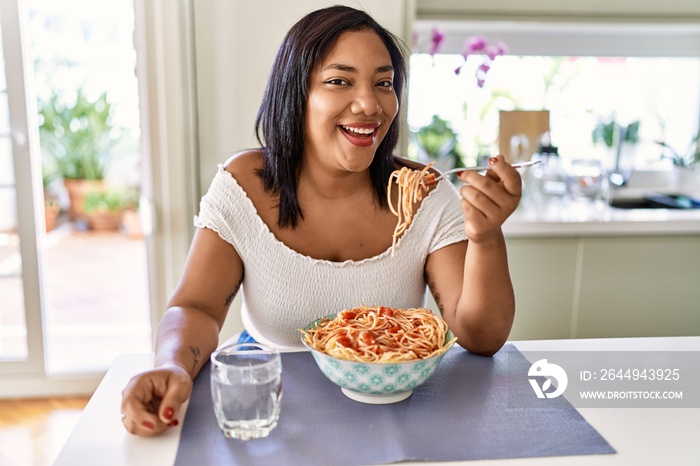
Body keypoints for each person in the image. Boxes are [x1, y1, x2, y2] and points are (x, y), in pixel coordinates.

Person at [121, 5, 521, 436]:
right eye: (339, 81)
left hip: (396, 414)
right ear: (297, 95)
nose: (370, 103)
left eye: (384, 83)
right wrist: (172, 367)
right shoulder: (244, 185)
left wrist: (485, 236)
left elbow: (482, 337)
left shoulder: (423, 192)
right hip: (271, 408)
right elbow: (195, 307)